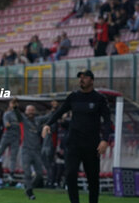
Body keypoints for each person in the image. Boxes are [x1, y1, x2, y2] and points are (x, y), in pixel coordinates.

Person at [42, 69, 112, 203]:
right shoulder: (73, 97)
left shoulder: (99, 99)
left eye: (84, 77)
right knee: (70, 174)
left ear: (91, 80)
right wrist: (47, 124)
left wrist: (104, 140)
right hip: (73, 143)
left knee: (93, 179)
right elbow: (59, 112)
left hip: (92, 145)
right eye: (80, 77)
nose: (81, 79)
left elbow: (107, 121)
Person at [20, 105, 52, 200]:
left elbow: (49, 116)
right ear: (26, 112)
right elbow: (17, 114)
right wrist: (14, 107)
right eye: (29, 110)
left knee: (39, 174)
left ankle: (28, 188)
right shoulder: (24, 120)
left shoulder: (38, 120)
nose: (30, 112)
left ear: (35, 112)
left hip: (37, 151)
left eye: (32, 110)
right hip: (26, 150)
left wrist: (54, 109)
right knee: (27, 173)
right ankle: (30, 192)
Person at [0, 99, 21, 185]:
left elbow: (20, 121)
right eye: (13, 103)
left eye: (16, 103)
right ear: (10, 104)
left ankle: (12, 173)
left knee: (13, 156)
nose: (14, 105)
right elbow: (7, 125)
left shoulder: (18, 114)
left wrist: (14, 123)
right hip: (7, 136)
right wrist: (14, 124)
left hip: (15, 137)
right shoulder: (7, 114)